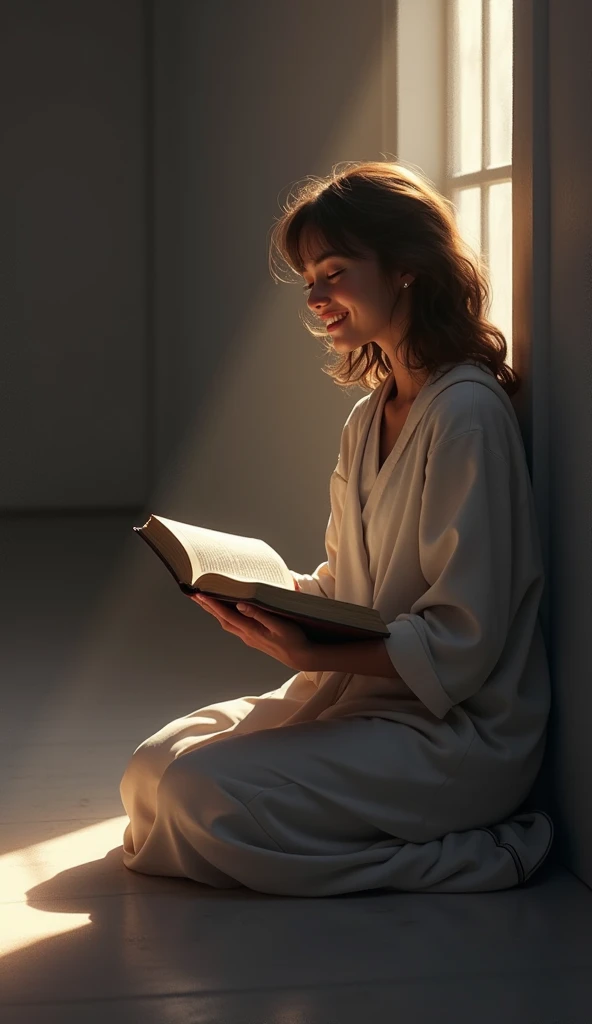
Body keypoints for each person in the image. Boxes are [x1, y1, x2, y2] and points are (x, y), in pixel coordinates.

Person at [119, 161, 553, 896]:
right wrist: (273, 597)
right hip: (360, 698)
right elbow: (350, 587)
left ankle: (475, 858)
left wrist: (310, 645)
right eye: (309, 279)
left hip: (454, 736)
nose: (316, 297)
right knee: (150, 773)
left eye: (333, 272)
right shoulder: (368, 416)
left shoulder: (467, 416)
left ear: (408, 268)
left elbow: (464, 642)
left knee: (199, 797)